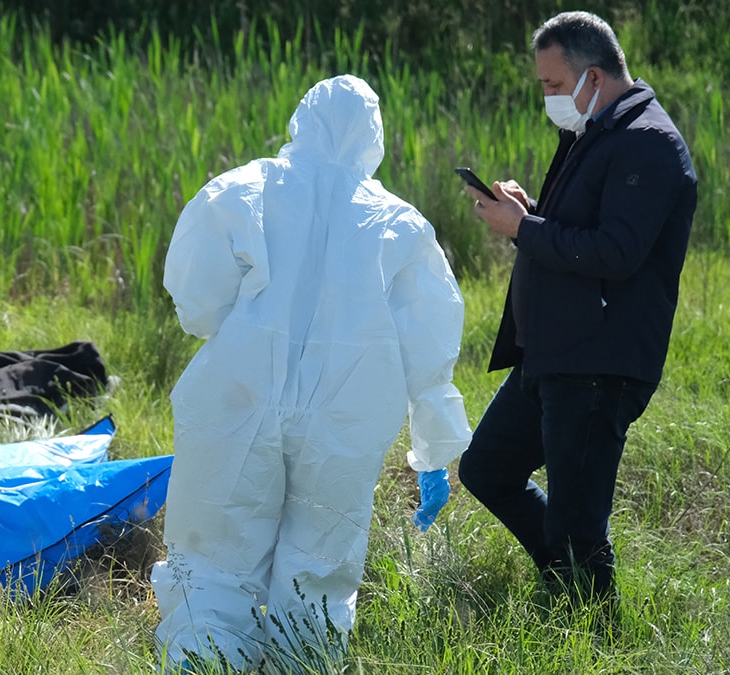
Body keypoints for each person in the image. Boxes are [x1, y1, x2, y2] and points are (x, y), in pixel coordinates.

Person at [150, 75, 472, 672]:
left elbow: (197, 304)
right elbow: (429, 347)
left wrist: (244, 318)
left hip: (236, 399)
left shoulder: (244, 188)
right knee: (318, 571)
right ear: (373, 138)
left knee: (215, 558)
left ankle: (204, 661)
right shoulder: (399, 223)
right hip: (344, 417)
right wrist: (433, 449)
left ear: (301, 118)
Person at [456, 11, 697, 603]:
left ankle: (590, 623)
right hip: (553, 352)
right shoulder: (596, 131)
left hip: (598, 363)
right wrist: (527, 211)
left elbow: (616, 252)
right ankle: (567, 580)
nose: (548, 97)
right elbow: (579, 229)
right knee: (485, 468)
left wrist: (523, 229)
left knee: (578, 522)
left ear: (594, 76)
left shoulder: (650, 144)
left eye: (552, 85)